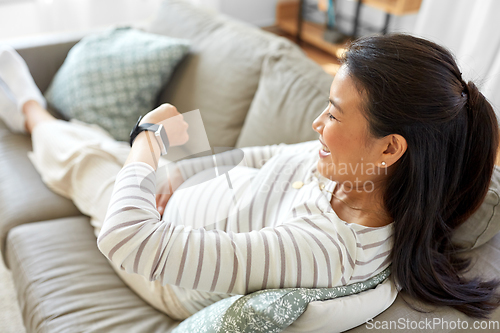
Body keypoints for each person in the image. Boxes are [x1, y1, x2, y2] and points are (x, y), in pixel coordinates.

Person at [0, 32, 498, 321]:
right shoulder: (352, 170)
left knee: (87, 163)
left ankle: (30, 110)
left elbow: (125, 237)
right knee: (108, 150)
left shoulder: (324, 249)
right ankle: (47, 120)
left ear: (390, 148)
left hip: (162, 264)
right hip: (179, 198)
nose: (317, 124)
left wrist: (149, 140)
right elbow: (260, 156)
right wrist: (173, 169)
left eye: (333, 113)